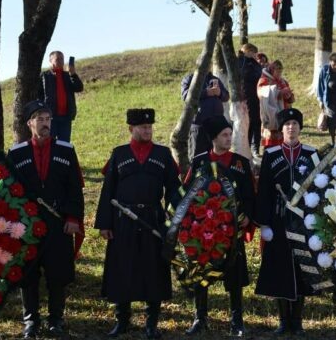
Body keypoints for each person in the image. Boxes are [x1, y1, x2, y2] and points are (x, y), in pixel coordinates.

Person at [95, 108, 182, 339]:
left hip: (154, 220)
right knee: (122, 269)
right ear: (131, 129)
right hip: (123, 222)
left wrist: (181, 216)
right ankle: (122, 321)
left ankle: (151, 323)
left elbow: (174, 189)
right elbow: (107, 191)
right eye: (143, 127)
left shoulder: (163, 155)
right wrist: (105, 223)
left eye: (150, 126)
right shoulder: (119, 154)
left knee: (154, 270)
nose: (147, 130)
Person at [7, 100, 84, 338]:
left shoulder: (66, 149)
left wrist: (73, 217)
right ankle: (31, 320)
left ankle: (56, 320)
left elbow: (75, 187)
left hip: (58, 223)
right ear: (29, 123)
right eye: (39, 119)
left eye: (48, 119)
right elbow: (10, 191)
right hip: (27, 226)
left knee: (57, 274)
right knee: (28, 274)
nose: (45, 123)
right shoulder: (16, 153)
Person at [184, 116, 255, 337]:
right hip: (204, 231)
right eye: (224, 135)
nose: (229, 138)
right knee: (202, 275)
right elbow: (188, 192)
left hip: (232, 230)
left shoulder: (240, 162)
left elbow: (251, 195)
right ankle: (200, 318)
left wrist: (248, 217)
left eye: (230, 134)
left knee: (234, 276)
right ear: (214, 138)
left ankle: (237, 321)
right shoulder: (199, 161)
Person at [254, 108, 318, 335]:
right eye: (287, 124)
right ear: (281, 129)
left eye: (295, 124)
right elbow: (263, 192)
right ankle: (283, 320)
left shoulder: (312, 154)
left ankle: (297, 320)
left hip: (305, 222)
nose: (291, 127)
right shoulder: (271, 154)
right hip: (278, 220)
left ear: (300, 128)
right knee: (280, 269)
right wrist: (264, 224)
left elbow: (320, 188)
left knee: (303, 269)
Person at [181, 71, 230, 160]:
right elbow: (185, 96)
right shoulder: (190, 78)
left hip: (216, 127)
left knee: (215, 157)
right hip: (199, 125)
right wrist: (206, 92)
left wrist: (220, 93)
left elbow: (226, 96)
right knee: (197, 157)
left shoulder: (215, 79)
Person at [38, 50, 83, 142]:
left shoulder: (67, 76)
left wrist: (73, 74)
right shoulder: (44, 76)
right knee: (50, 143)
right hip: (50, 117)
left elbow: (79, 88)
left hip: (66, 117)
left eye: (62, 59)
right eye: (57, 59)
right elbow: (38, 96)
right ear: (50, 60)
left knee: (64, 144)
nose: (61, 61)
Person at [257, 60, 295, 150]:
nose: (279, 74)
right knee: (271, 145)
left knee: (284, 143)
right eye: (277, 71)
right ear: (271, 70)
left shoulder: (283, 81)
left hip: (284, 114)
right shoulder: (264, 80)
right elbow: (262, 95)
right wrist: (279, 93)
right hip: (271, 115)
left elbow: (290, 99)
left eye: (280, 72)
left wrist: (289, 96)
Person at [239, 43, 263, 157]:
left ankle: (255, 147)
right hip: (247, 96)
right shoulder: (242, 61)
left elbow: (260, 75)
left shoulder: (255, 63)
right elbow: (246, 75)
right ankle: (247, 147)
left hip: (257, 96)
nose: (255, 55)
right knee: (249, 122)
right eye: (253, 52)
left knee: (257, 122)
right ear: (247, 51)